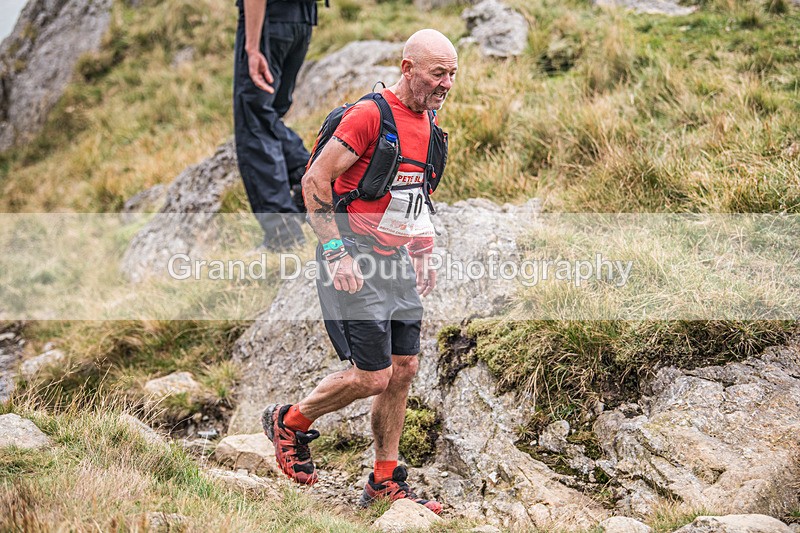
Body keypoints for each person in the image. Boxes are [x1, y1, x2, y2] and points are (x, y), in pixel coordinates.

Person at [262, 29, 458, 514]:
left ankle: (384, 478)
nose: (447, 83)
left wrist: (422, 249)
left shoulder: (430, 124)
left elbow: (413, 194)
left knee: (404, 369)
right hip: (352, 254)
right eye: (439, 73)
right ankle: (291, 421)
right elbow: (315, 179)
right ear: (407, 68)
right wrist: (334, 250)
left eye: (453, 74)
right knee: (373, 375)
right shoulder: (370, 115)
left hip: (395, 262)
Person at [233, 0, 316, 250]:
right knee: (266, 117)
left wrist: (252, 46)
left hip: (269, 22)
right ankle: (313, 184)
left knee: (254, 123)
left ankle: (283, 236)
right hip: (302, 21)